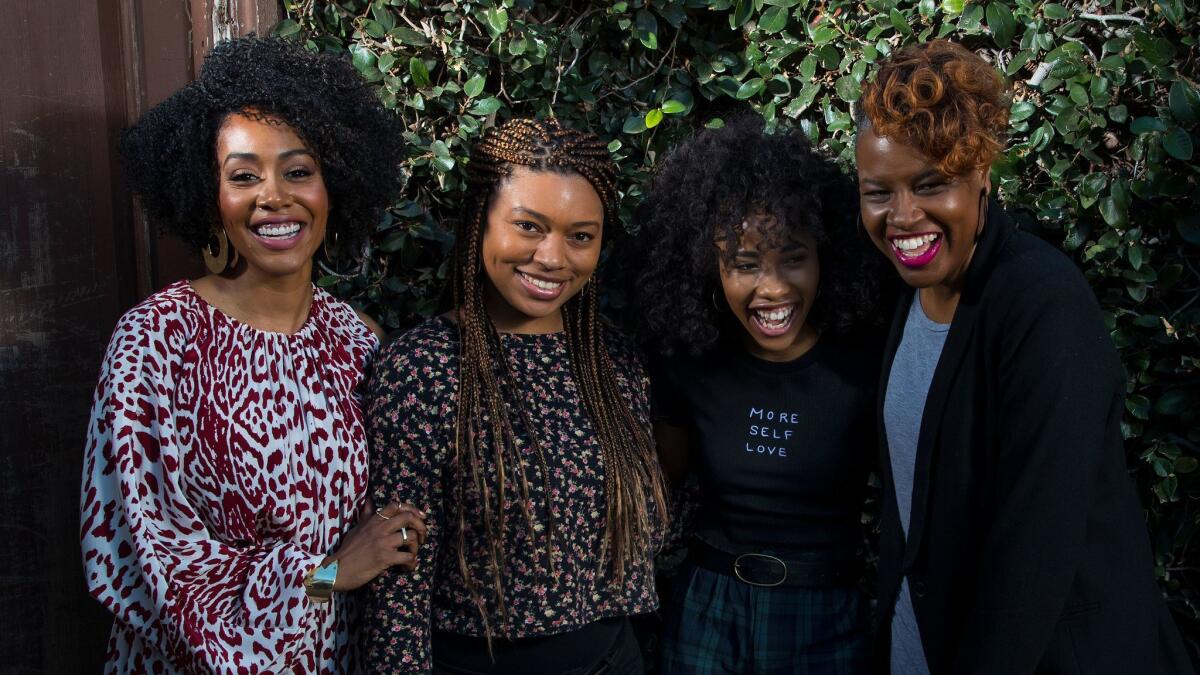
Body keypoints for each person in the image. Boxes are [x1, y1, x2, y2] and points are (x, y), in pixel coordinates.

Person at [79, 36, 425, 673]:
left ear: (333, 187)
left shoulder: (357, 342)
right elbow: (151, 570)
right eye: (243, 176)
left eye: (298, 171)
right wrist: (324, 576)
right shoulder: (157, 342)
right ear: (210, 196)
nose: (273, 196)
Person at [855, 40, 1192, 674]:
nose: (903, 216)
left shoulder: (1043, 305)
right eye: (878, 192)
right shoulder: (909, 294)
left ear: (981, 172)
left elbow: (1033, 556)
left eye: (930, 184)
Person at [362, 117, 668, 674]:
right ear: (480, 223)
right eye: (528, 226)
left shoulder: (614, 362)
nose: (553, 257)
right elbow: (396, 585)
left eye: (581, 236)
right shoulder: (425, 367)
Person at [634, 116, 884, 674]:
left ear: (826, 256)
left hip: (827, 612)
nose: (772, 288)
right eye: (744, 264)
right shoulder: (690, 365)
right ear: (709, 269)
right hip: (708, 608)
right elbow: (660, 486)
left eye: (793, 257)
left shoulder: (865, 366)